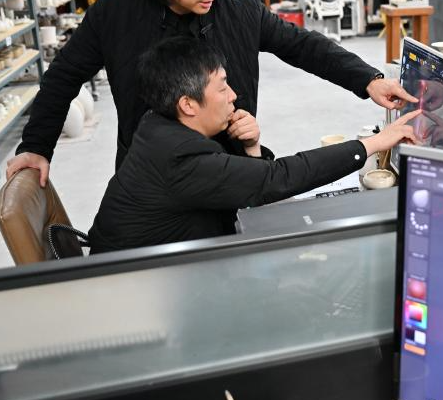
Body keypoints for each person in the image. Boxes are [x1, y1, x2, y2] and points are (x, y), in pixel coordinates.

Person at [7, 0, 415, 186]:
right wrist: (36, 147)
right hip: (151, 177)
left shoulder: (239, 10)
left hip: (231, 169)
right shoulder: (115, 13)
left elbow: (303, 45)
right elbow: (64, 76)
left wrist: (369, 80)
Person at [87, 38, 420, 252]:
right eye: (222, 87)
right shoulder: (179, 157)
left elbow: (248, 183)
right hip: (135, 287)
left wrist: (251, 147)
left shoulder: (157, 124)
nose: (233, 95)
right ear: (188, 104)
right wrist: (374, 142)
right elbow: (274, 180)